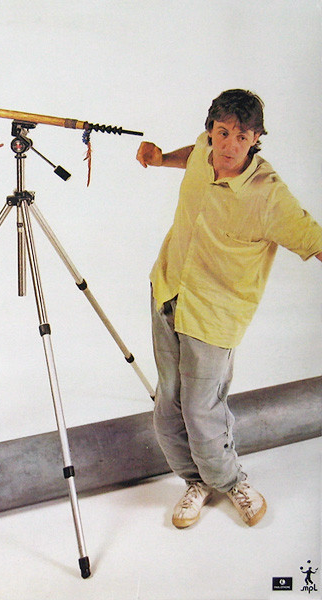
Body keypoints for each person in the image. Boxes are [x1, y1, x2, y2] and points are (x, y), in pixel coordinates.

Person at [136, 89, 322, 529]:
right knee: (167, 405)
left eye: (242, 137)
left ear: (256, 139)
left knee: (201, 409)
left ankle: (232, 481)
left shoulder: (269, 196)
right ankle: (195, 481)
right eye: (222, 133)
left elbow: (314, 240)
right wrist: (161, 159)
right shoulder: (205, 149)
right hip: (169, 289)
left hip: (214, 313)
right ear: (211, 130)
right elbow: (194, 154)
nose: (229, 146)